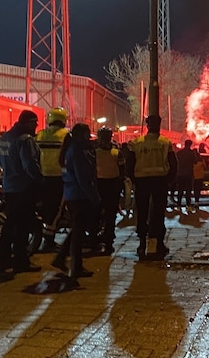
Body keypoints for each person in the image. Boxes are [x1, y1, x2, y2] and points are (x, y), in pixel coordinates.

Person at [0, 111, 42, 273]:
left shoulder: (6, 138)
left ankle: (3, 258)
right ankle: (21, 261)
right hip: (24, 187)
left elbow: (1, 161)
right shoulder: (25, 140)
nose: (36, 125)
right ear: (27, 123)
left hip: (9, 186)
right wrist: (39, 180)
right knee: (22, 226)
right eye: (34, 122)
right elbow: (29, 165)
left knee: (10, 224)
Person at [127, 115, 177, 260]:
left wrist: (134, 179)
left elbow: (129, 165)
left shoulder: (137, 143)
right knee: (159, 213)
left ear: (147, 125)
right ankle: (159, 244)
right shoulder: (165, 143)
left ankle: (142, 244)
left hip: (142, 182)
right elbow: (174, 164)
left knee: (142, 213)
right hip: (160, 181)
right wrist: (168, 180)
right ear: (159, 125)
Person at [53, 123, 99, 279]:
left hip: (73, 194)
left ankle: (61, 258)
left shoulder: (71, 149)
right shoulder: (78, 151)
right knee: (78, 233)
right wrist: (93, 196)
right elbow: (82, 176)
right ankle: (75, 267)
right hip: (79, 195)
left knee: (76, 230)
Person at [35, 108, 70, 252]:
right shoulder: (66, 135)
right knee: (57, 209)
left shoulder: (40, 134)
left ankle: (45, 236)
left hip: (41, 176)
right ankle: (48, 240)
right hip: (59, 177)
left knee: (45, 207)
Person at [93, 126, 123, 254]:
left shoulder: (95, 152)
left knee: (101, 214)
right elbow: (122, 170)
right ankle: (106, 240)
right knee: (107, 215)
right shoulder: (116, 152)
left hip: (103, 185)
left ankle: (101, 240)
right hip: (108, 185)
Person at [175, 139, 199, 211]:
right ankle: (188, 205)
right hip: (188, 174)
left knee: (180, 190)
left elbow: (176, 161)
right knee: (188, 191)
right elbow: (195, 162)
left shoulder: (179, 153)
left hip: (180, 174)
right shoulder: (191, 153)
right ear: (190, 145)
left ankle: (178, 206)